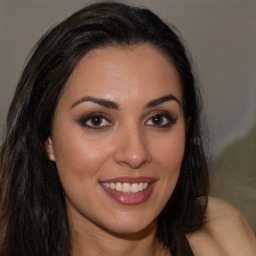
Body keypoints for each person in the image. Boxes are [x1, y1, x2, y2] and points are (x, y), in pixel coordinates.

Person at [0, 2, 255, 256]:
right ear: (48, 139)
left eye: (157, 120)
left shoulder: (222, 234)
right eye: (97, 120)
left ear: (186, 129)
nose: (135, 154)